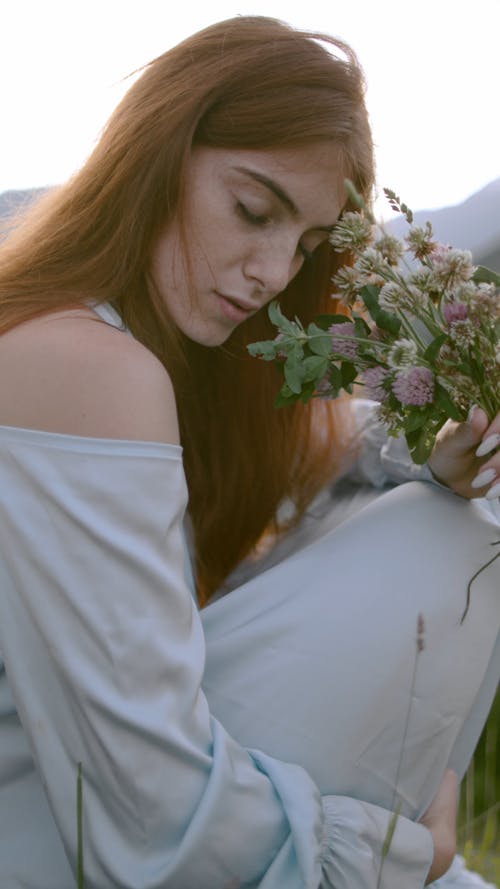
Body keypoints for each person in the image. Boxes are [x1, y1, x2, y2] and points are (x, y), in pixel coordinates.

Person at [0, 14, 498, 889]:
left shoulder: (147, 355)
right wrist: (401, 854)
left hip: (78, 809)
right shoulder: (83, 362)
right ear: (156, 154)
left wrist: (436, 453)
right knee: (454, 536)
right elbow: (155, 800)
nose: (273, 272)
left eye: (305, 243)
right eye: (253, 210)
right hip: (50, 826)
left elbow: (336, 438)